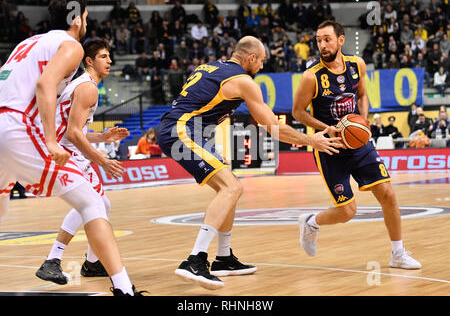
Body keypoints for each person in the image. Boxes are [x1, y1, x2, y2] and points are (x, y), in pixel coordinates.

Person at [157, 35, 342, 290]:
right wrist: (312, 141)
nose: (263, 67)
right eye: (262, 61)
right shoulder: (244, 81)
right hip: (182, 131)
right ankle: (195, 259)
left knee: (230, 188)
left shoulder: (208, 67)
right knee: (232, 188)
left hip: (191, 129)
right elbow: (274, 128)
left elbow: (198, 104)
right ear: (251, 58)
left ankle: (223, 258)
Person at [0, 0, 143, 296]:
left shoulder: (26, 44)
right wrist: (50, 139)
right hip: (17, 129)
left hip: (5, 126)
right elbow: (44, 86)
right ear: (76, 19)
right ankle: (122, 289)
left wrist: (100, 139)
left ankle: (80, 263)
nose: (87, 23)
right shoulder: (72, 48)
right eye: (86, 17)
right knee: (92, 203)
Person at [292, 20, 421, 270]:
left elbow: (362, 95)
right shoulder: (312, 76)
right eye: (319, 40)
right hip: (329, 148)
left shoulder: (357, 64)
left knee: (389, 196)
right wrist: (325, 128)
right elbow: (298, 112)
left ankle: (397, 253)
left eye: (327, 39)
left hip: (358, 143)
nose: (322, 44)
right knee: (347, 212)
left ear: (340, 40)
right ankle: (311, 223)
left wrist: (364, 121)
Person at [36, 38, 131, 285]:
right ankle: (53, 260)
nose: (109, 60)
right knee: (92, 204)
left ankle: (91, 263)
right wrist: (102, 160)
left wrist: (102, 136)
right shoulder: (88, 87)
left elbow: (75, 129)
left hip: (65, 148)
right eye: (103, 56)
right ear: (89, 61)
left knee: (102, 205)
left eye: (109, 56)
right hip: (67, 152)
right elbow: (72, 134)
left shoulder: (85, 85)